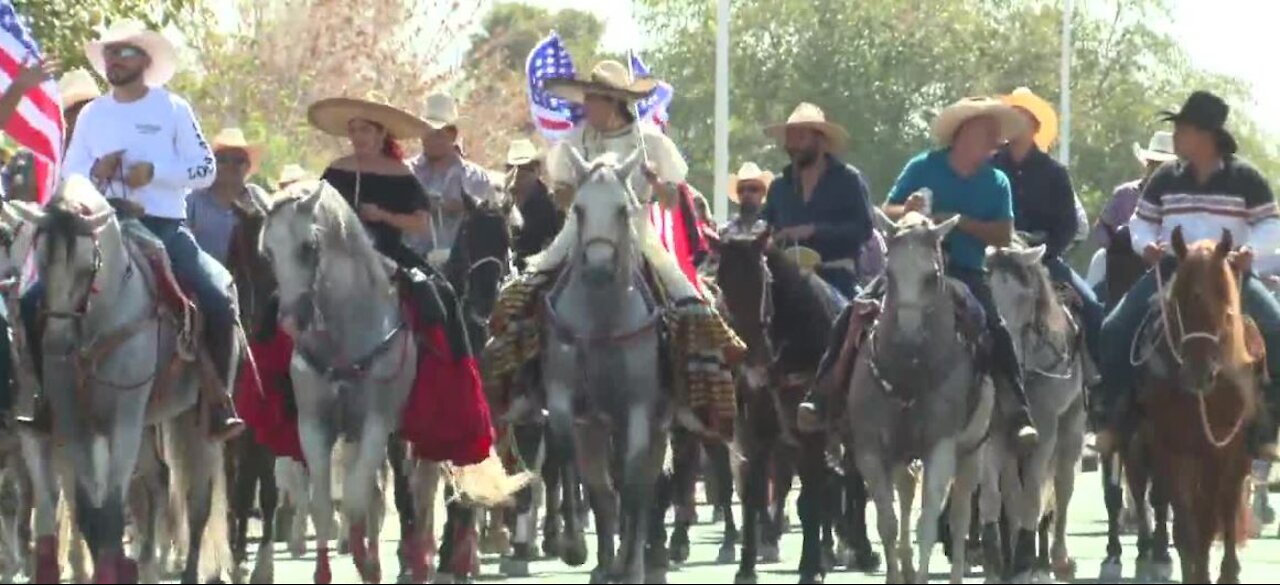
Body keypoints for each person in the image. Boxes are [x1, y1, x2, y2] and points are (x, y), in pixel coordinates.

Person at [17, 21, 242, 440]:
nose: (114, 60)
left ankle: (218, 401)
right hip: (102, 228)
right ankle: (46, 398)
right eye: (110, 53)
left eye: (124, 52)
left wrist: (154, 173)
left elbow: (205, 169)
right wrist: (96, 174)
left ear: (145, 60)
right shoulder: (93, 115)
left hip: (164, 228)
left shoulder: (172, 108)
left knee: (215, 294)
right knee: (34, 301)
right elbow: (71, 176)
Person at [802, 97, 1039, 448]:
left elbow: (1003, 233)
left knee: (996, 328)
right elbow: (888, 209)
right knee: (854, 312)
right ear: (963, 134)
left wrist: (956, 221)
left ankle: (1018, 412)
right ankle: (821, 396)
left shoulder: (997, 181)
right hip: (909, 268)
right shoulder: (923, 166)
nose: (995, 141)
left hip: (965, 270)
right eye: (987, 133)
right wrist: (907, 209)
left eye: (995, 134)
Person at [1094, 91, 1280, 459]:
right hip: (1172, 271)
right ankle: (1114, 418)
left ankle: (1267, 428)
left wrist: (1249, 252)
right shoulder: (1165, 178)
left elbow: (1271, 224)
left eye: (1182, 129)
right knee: (1114, 328)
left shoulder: (1247, 178)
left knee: (1275, 328)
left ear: (1205, 134)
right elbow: (1141, 223)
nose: (1176, 137)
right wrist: (1145, 245)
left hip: (1229, 275)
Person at [993, 87, 1102, 369]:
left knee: (1093, 309)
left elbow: (1067, 224)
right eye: (1010, 115)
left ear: (1034, 126)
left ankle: (1095, 381)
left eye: (1019, 116)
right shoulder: (989, 166)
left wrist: (1046, 250)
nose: (1012, 121)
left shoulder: (1054, 172)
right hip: (992, 254)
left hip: (1043, 258)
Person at [761, 103, 876, 299]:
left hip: (837, 280)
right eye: (790, 138)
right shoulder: (779, 187)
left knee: (852, 322)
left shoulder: (848, 180)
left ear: (821, 141)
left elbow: (863, 229)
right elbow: (763, 226)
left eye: (800, 137)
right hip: (784, 282)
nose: (793, 145)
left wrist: (814, 230)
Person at [307, 95, 433, 272]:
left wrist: (383, 215)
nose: (357, 136)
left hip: (389, 256)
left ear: (381, 133)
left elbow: (420, 223)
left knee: (432, 291)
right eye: (353, 130)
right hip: (336, 256)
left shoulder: (400, 174)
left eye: (364, 130)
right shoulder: (337, 170)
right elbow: (315, 212)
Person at [407, 93, 498, 259]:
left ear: (453, 135)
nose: (431, 140)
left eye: (438, 134)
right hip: (413, 263)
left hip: (463, 266)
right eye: (427, 133)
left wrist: (459, 207)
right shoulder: (406, 172)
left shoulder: (475, 178)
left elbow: (490, 221)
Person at [1085, 131, 1178, 289]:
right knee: (1100, 260)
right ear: (1147, 164)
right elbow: (1102, 227)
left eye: (1164, 166)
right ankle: (1091, 306)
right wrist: (1115, 246)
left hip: (1166, 261)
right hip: (1122, 261)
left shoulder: (1179, 200)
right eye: (1155, 163)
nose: (1158, 170)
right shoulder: (1125, 193)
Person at [186, 128, 268, 265]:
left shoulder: (258, 198)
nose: (230, 166)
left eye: (238, 160)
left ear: (248, 166)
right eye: (222, 160)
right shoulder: (193, 201)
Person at [504, 138, 563, 270]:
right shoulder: (505, 200)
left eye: (526, 167)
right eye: (513, 167)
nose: (519, 173)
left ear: (537, 170)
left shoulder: (548, 204)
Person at [722, 162, 772, 237]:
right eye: (741, 190)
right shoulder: (726, 231)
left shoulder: (771, 228)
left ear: (763, 193)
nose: (746, 194)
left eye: (753, 189)